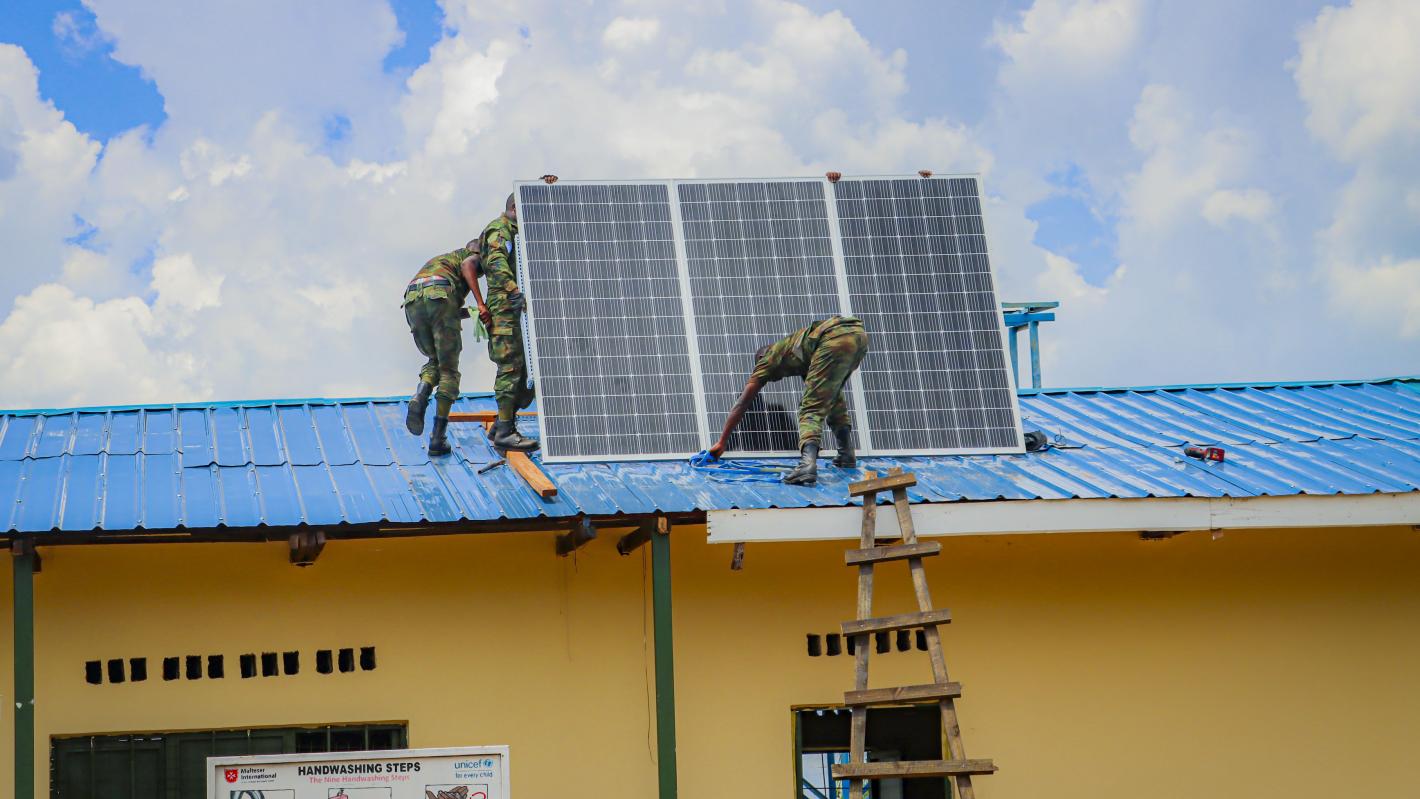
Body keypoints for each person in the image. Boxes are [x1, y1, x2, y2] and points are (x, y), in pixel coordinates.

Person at [707, 316, 868, 485]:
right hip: (858, 336)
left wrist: (722, 442)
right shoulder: (803, 356)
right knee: (832, 395)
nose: (770, 378)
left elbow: (743, 402)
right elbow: (830, 399)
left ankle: (807, 466)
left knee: (809, 408)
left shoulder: (768, 357)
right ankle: (846, 454)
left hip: (832, 336)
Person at [471, 192, 538, 451]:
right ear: (514, 208)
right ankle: (506, 432)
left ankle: (502, 423)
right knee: (510, 367)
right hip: (505, 310)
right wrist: (514, 290)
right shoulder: (500, 230)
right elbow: (496, 263)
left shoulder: (516, 232)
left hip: (516, 310)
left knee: (526, 370)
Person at [403, 240, 481, 456]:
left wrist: (473, 312)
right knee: (449, 371)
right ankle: (438, 438)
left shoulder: (444, 261)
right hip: (440, 294)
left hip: (413, 297)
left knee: (435, 360)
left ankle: (421, 394)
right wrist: (482, 304)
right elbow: (467, 266)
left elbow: (446, 310)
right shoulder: (471, 259)